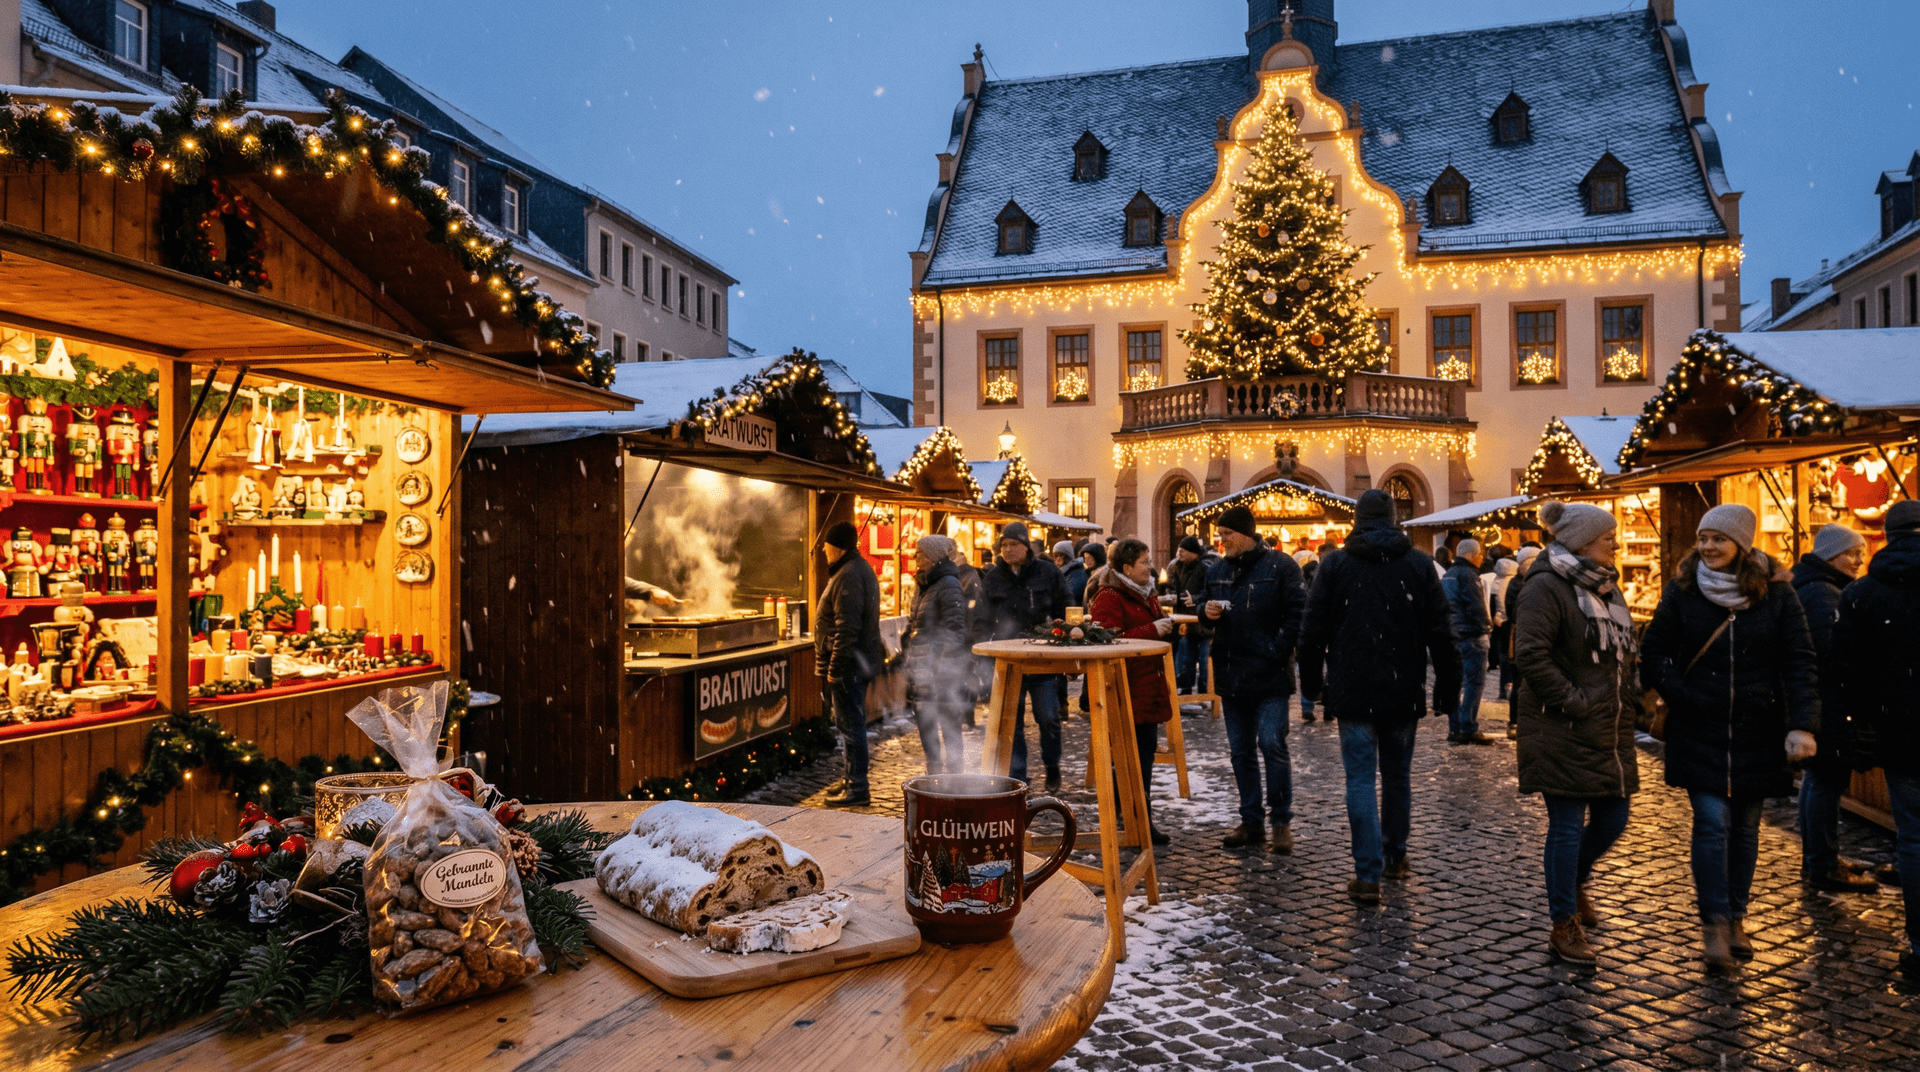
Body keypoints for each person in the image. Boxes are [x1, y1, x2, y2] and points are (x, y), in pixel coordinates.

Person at [1641, 504, 1818, 972]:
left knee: (1744, 829)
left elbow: (1799, 660)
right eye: (1703, 538)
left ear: (1742, 542)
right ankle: (1715, 923)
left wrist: (1802, 723)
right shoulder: (1682, 592)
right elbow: (1653, 651)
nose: (1708, 547)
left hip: (1758, 731)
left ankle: (1737, 915)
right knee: (1712, 822)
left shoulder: (1778, 595)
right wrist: (1684, 694)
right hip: (1700, 728)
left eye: (1718, 539)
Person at [1299, 489, 1458, 904]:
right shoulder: (1419, 564)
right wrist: (1448, 687)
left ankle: (1367, 873)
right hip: (1401, 685)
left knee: (1359, 778)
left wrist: (1312, 684)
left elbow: (1312, 630)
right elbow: (1442, 631)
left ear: (1357, 519)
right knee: (1397, 776)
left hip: (1352, 686)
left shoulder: (1335, 565)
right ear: (1393, 518)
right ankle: (1396, 856)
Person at [1512, 502, 1643, 966]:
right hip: (1563, 724)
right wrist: (1574, 700)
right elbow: (1529, 653)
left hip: (1609, 727)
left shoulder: (1607, 587)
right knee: (1566, 826)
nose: (1615, 542)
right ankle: (1562, 922)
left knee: (1614, 819)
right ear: (1584, 540)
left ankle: (1575, 880)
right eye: (1608, 537)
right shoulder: (1546, 586)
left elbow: (1622, 653)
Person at [1832, 499, 1920, 982]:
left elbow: (1846, 668)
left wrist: (1868, 715)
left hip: (1900, 731)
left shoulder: (1861, 594)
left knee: (1914, 838)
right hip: (1899, 725)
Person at [1203, 505, 1308, 850]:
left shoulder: (1281, 567)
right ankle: (1251, 821)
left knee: (1271, 744)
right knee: (1240, 752)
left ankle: (1280, 822)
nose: (1222, 542)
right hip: (1232, 673)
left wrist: (1277, 649)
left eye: (1227, 535)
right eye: (1219, 536)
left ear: (1246, 534)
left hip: (1270, 675)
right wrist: (1207, 613)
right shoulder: (1216, 570)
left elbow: (1298, 613)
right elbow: (1203, 616)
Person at [1792, 523, 1878, 893]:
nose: (1859, 560)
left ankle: (1818, 857)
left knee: (1818, 782)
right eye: (1851, 553)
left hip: (1819, 701)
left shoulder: (1815, 586)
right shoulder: (1825, 594)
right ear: (1829, 555)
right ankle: (1823, 864)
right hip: (1828, 703)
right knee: (1827, 783)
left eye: (1861, 552)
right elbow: (1831, 652)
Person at [1088, 537, 1177, 846]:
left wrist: (1165, 626)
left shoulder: (1145, 593)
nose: (1150, 567)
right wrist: (1153, 630)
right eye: (1144, 562)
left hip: (1145, 685)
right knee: (1130, 759)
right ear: (1126, 567)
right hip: (1123, 688)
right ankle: (1133, 821)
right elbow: (1106, 641)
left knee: (1142, 758)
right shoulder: (1109, 596)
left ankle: (1136, 818)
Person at [984, 521, 1069, 790]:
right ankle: (1019, 777)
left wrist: (1064, 635)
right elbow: (981, 620)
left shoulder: (1047, 572)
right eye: (1004, 545)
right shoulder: (993, 577)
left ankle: (1052, 765)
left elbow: (1067, 607)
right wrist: (981, 655)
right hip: (1008, 661)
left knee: (1048, 719)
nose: (1007, 550)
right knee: (1012, 723)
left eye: (1013, 544)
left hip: (1042, 659)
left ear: (1025, 546)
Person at [816, 520, 886, 807]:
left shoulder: (849, 575)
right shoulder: (854, 569)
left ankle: (857, 787)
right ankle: (850, 780)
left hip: (849, 665)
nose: (822, 549)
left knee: (851, 726)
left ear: (838, 547)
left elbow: (847, 627)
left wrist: (835, 669)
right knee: (849, 726)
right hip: (855, 662)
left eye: (827, 544)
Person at [902, 534, 969, 775]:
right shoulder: (925, 584)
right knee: (925, 722)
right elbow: (916, 625)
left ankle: (954, 776)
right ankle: (934, 774)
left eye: (919, 553)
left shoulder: (947, 583)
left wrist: (942, 667)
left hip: (940, 671)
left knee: (948, 724)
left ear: (931, 556)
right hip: (923, 669)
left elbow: (955, 629)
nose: (915, 557)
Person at [1442, 538, 1497, 744]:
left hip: (1453, 636)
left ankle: (1455, 728)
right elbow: (1476, 606)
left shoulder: (1448, 575)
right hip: (1471, 635)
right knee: (1474, 682)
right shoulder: (1469, 575)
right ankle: (1468, 726)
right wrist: (1486, 627)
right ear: (1474, 555)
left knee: (1456, 684)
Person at [1170, 536, 1215, 699]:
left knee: (1205, 663)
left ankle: (1206, 695)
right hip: (1185, 622)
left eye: (1183, 550)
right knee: (1185, 661)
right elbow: (1175, 588)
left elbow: (1210, 591)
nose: (1179, 553)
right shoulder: (1177, 567)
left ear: (1192, 552)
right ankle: (1185, 692)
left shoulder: (1206, 568)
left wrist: (1195, 599)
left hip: (1203, 623)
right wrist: (1171, 597)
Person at [1489, 556, 1520, 701]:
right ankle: (1512, 686)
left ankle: (1502, 689)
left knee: (1503, 657)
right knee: (1513, 657)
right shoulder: (1514, 582)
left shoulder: (1495, 582)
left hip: (1498, 623)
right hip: (1511, 624)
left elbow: (1492, 605)